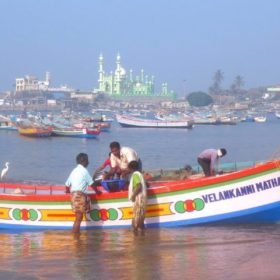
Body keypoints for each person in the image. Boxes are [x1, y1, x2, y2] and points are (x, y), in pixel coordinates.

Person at [65, 153, 95, 234]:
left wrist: (67, 191)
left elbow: (67, 184)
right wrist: (98, 191)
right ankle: (75, 235)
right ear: (84, 161)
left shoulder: (74, 170)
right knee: (79, 217)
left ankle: (76, 234)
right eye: (87, 160)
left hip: (73, 195)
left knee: (78, 217)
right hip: (79, 196)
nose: (88, 162)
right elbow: (92, 184)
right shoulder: (84, 171)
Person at [128, 160, 147, 235]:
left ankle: (136, 239)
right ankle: (142, 236)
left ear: (130, 169)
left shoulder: (135, 175)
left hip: (139, 198)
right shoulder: (140, 174)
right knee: (140, 220)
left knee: (136, 221)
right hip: (142, 198)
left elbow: (139, 186)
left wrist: (133, 196)